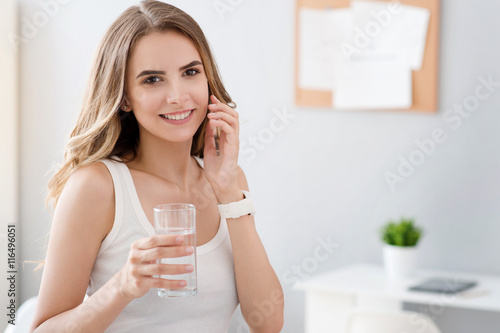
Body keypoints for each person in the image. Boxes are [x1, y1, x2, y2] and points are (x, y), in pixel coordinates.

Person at [29, 1, 284, 332]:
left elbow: (269, 323)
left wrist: (228, 192)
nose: (177, 96)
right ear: (124, 97)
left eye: (190, 72)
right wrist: (121, 288)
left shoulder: (229, 182)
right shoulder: (97, 187)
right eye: (152, 80)